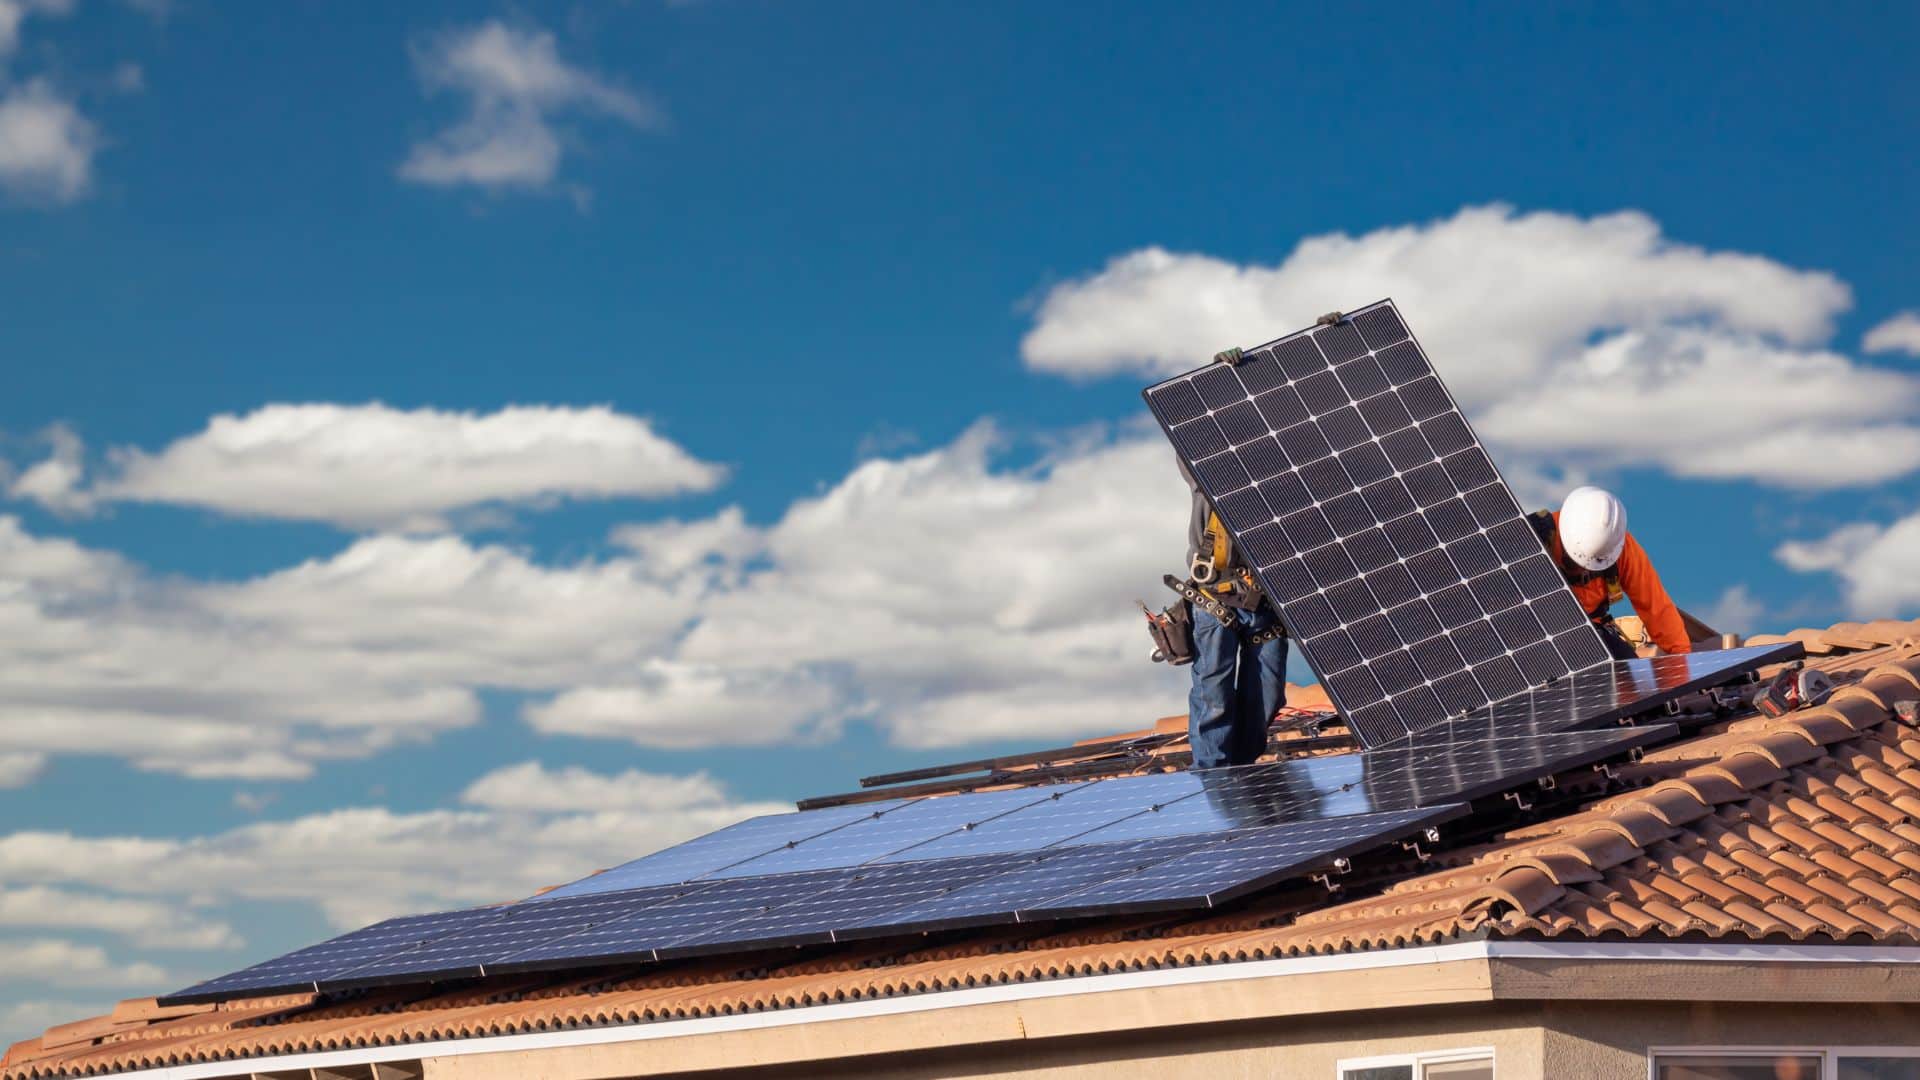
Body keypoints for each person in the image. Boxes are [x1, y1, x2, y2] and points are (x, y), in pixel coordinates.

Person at [1178, 458, 1287, 770]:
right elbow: (1191, 449)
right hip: (1216, 599)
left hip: (1265, 602)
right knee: (1214, 697)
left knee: (1268, 695)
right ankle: (1213, 775)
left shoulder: (1279, 481)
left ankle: (1240, 770)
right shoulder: (1208, 474)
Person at [1532, 486, 1690, 659]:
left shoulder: (1619, 547)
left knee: (1626, 673)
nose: (1583, 570)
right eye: (1575, 562)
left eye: (1592, 566)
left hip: (1591, 635)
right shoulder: (1529, 538)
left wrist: (1684, 660)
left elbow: (1656, 607)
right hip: (1531, 632)